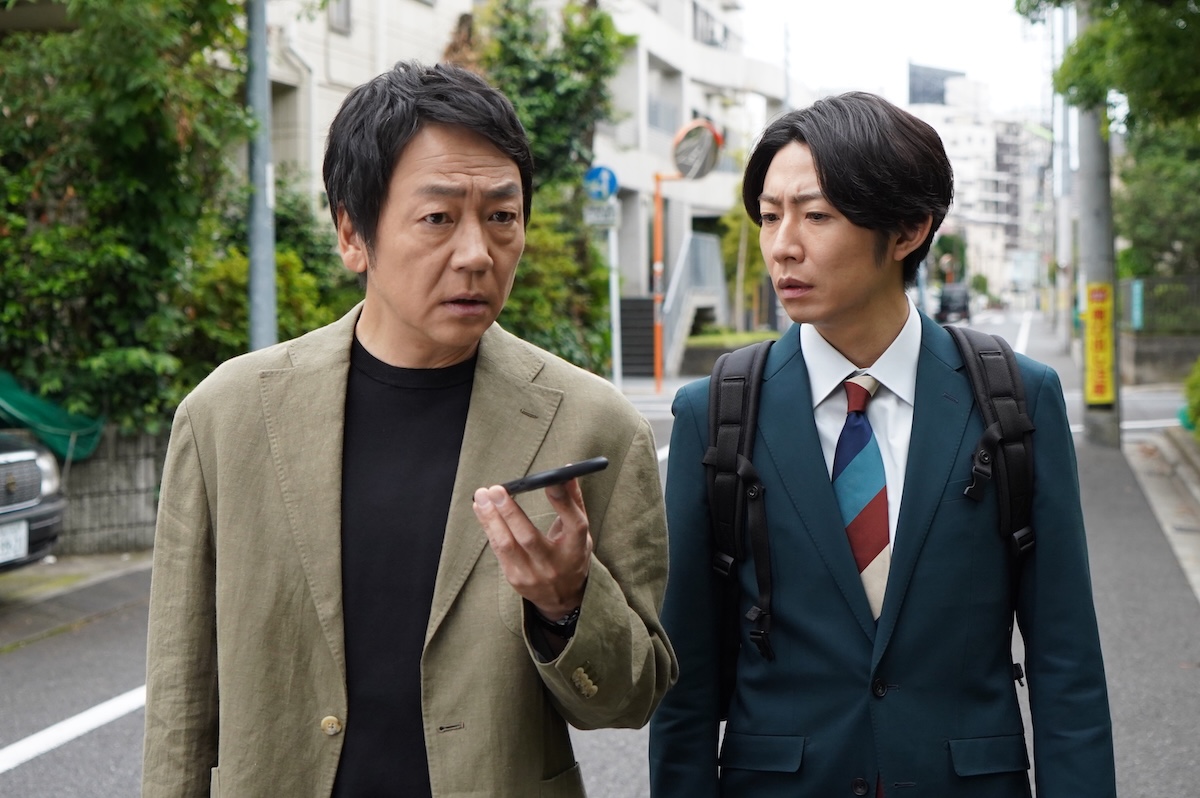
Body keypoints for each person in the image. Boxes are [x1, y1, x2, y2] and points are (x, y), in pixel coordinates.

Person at [142, 61, 676, 798]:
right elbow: (179, 699)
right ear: (352, 235)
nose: (477, 253)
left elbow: (629, 699)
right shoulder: (225, 418)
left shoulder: (594, 426)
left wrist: (568, 604)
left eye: (502, 216)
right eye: (438, 218)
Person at [648, 92, 1116, 797]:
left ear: (908, 229)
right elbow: (683, 681)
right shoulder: (715, 412)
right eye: (770, 216)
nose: (782, 246)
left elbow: (1066, 661)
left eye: (815, 215)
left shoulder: (1017, 399)